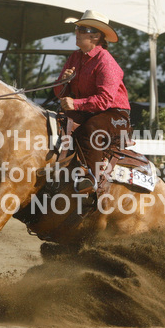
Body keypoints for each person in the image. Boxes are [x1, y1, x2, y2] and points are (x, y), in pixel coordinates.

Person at [53, 10, 131, 193]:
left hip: (116, 115)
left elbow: (104, 100)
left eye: (82, 29)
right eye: (77, 28)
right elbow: (59, 93)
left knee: (91, 129)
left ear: (96, 36)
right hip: (87, 111)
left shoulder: (106, 61)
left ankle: (92, 180)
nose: (76, 32)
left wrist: (75, 104)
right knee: (55, 123)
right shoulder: (75, 57)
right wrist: (63, 82)